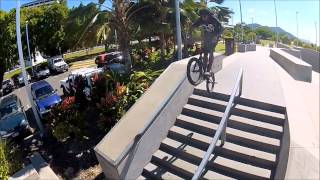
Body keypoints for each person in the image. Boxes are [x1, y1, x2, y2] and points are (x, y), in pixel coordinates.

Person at [190, 8, 223, 76]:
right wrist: (191, 27)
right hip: (206, 37)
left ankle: (208, 70)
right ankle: (205, 69)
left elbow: (222, 28)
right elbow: (194, 25)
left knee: (210, 51)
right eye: (202, 16)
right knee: (205, 53)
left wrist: (216, 36)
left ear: (208, 15)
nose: (203, 18)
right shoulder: (200, 19)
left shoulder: (213, 19)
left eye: (205, 16)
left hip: (214, 37)